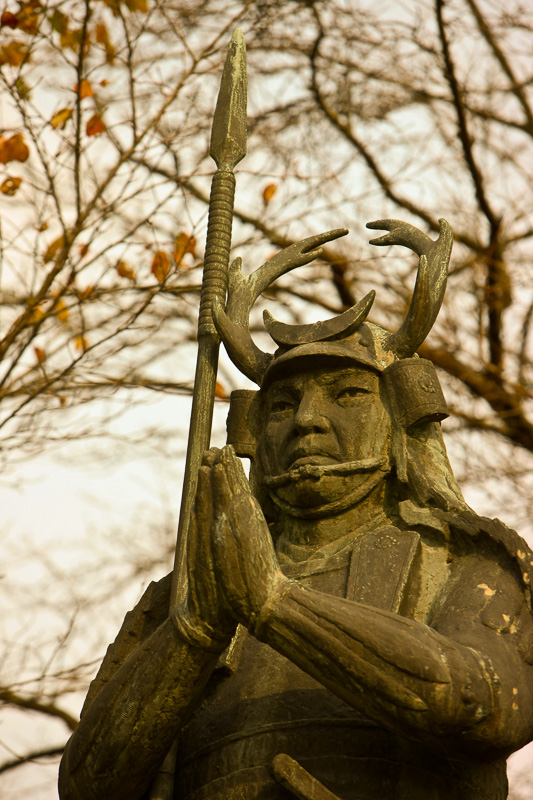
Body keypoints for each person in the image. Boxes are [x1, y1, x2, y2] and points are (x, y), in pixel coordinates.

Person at [59, 220, 533, 800]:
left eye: (348, 395)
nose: (307, 419)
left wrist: (274, 604)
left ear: (399, 418)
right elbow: (86, 785)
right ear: (255, 427)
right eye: (283, 403)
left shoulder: (466, 558)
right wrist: (195, 630)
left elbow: (486, 705)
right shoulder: (184, 591)